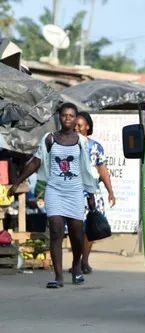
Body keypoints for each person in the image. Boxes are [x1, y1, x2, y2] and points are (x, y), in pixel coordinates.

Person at [8, 103, 96, 288]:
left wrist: (90, 193)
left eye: (71, 116)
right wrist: (17, 182)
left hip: (75, 192)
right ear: (59, 118)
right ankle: (58, 277)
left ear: (75, 119)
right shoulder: (50, 139)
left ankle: (76, 266)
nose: (67, 119)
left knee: (77, 234)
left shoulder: (81, 141)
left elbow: (87, 169)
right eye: (64, 115)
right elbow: (36, 162)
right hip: (54, 191)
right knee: (56, 231)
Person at [74, 112, 116, 274]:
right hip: (73, 192)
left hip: (92, 193)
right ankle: (77, 261)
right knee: (75, 228)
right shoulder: (67, 144)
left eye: (80, 125)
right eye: (75, 125)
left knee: (90, 228)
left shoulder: (95, 147)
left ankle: (84, 261)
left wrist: (110, 191)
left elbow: (103, 171)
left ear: (88, 127)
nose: (77, 128)